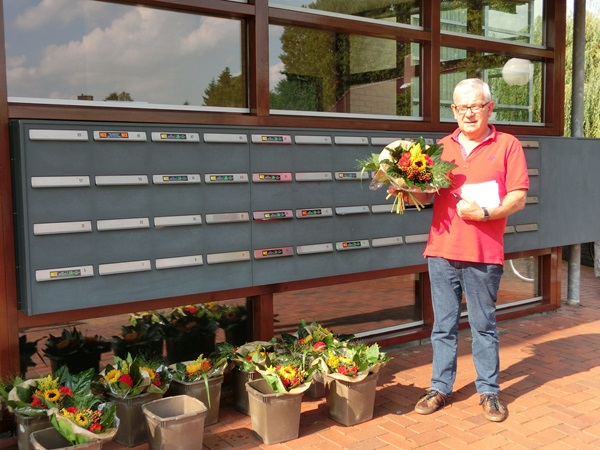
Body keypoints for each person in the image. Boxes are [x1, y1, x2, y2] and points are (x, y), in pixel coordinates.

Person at [393, 78, 529, 422]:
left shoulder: (508, 145)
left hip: (483, 253)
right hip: (441, 250)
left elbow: (518, 196)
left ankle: (489, 391)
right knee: (443, 325)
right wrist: (406, 186)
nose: (469, 113)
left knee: (484, 325)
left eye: (476, 105)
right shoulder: (440, 148)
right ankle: (440, 387)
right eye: (461, 107)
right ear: (453, 110)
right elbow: (426, 195)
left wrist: (485, 213)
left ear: (489, 107)